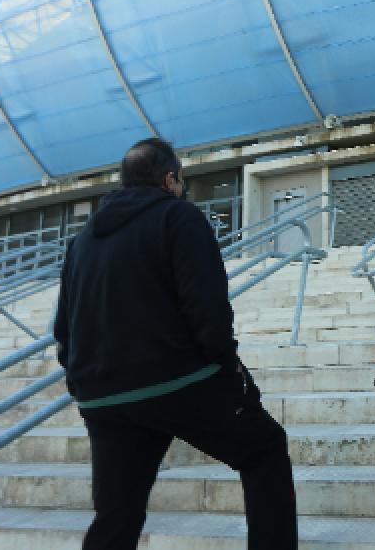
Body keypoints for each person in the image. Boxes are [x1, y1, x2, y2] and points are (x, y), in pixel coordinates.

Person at [54, 138, 297, 549]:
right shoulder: (179, 216)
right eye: (181, 181)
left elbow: (64, 328)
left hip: (102, 396)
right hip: (176, 381)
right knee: (265, 449)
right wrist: (228, 367)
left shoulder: (82, 241)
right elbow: (207, 306)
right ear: (170, 179)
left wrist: (82, 384)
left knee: (117, 512)